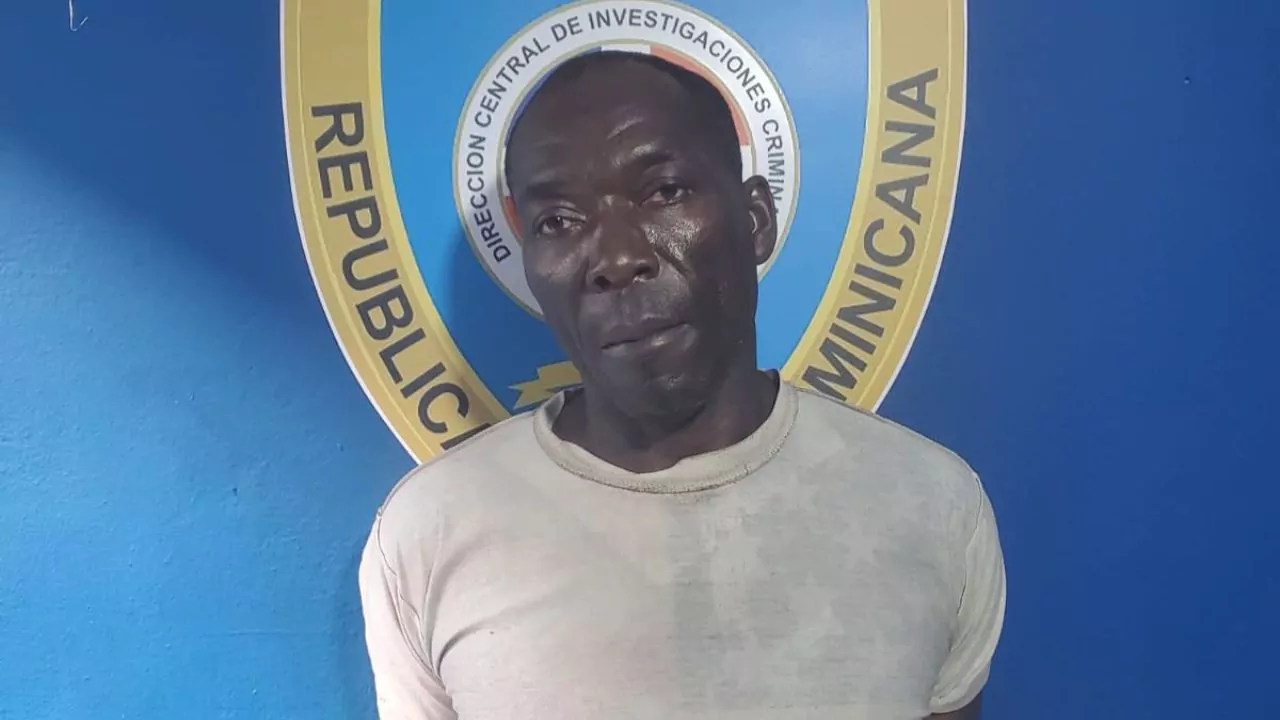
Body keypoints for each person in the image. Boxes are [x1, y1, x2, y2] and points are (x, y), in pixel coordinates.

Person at [358, 50, 1006, 720]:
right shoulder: (429, 534)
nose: (617, 259)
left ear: (755, 221)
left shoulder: (930, 504)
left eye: (664, 192)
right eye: (559, 222)